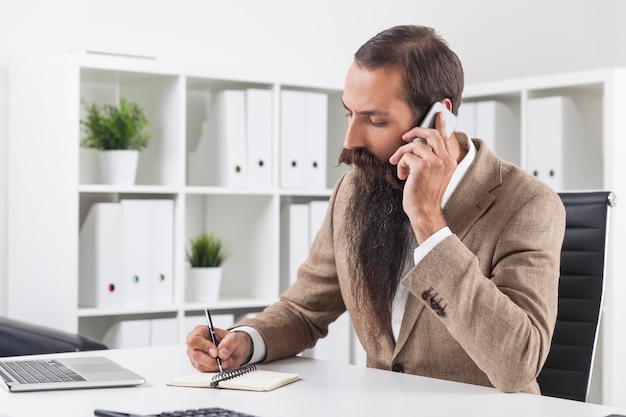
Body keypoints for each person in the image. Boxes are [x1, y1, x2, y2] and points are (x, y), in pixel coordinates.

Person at [186, 24, 565, 394]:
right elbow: (304, 310)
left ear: (438, 119)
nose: (351, 139)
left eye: (376, 120)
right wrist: (245, 342)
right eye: (349, 113)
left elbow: (518, 364)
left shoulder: (528, 204)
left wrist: (429, 222)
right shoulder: (354, 192)